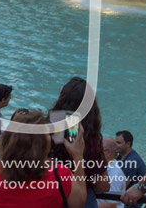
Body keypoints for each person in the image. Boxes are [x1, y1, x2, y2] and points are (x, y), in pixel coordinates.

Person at [0, 108, 87, 207]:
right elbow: (79, 203)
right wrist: (78, 156)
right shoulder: (60, 176)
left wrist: (14, 129)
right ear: (44, 146)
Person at [49, 76, 110, 208]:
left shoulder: (47, 128)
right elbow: (103, 186)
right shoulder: (90, 138)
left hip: (50, 193)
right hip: (81, 197)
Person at [98, 136, 127, 208]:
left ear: (109, 152)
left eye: (99, 150)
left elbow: (111, 204)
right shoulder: (107, 168)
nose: (96, 152)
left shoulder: (115, 174)